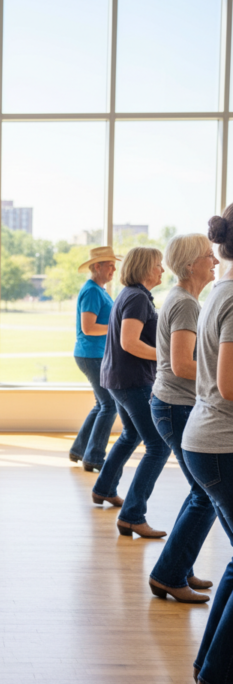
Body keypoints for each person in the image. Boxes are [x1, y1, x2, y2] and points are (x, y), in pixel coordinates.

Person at [147, 234, 219, 603]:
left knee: (200, 493)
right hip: (177, 406)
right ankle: (169, 574)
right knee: (205, 495)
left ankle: (179, 566)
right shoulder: (186, 304)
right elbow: (182, 365)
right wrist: (222, 375)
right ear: (191, 265)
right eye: (209, 256)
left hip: (171, 405)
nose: (216, 261)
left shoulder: (184, 299)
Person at [182, 207, 233, 684]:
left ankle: (212, 669)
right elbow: (230, 383)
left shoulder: (220, 289)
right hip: (221, 443)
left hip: (209, 440)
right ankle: (218, 679)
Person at [92, 246, 169, 538]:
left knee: (131, 434)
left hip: (118, 378)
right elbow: (130, 343)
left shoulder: (132, 294)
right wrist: (167, 356)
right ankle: (132, 516)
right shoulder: (137, 298)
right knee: (158, 446)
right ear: (146, 268)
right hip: (132, 381)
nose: (162, 270)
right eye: (158, 265)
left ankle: (104, 488)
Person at [69, 247, 120, 472]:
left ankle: (79, 450)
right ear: (97, 266)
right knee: (110, 404)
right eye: (110, 265)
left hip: (95, 354)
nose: (114, 269)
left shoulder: (99, 290)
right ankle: (94, 458)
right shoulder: (91, 291)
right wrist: (117, 328)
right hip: (91, 355)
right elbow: (88, 328)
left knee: (102, 404)